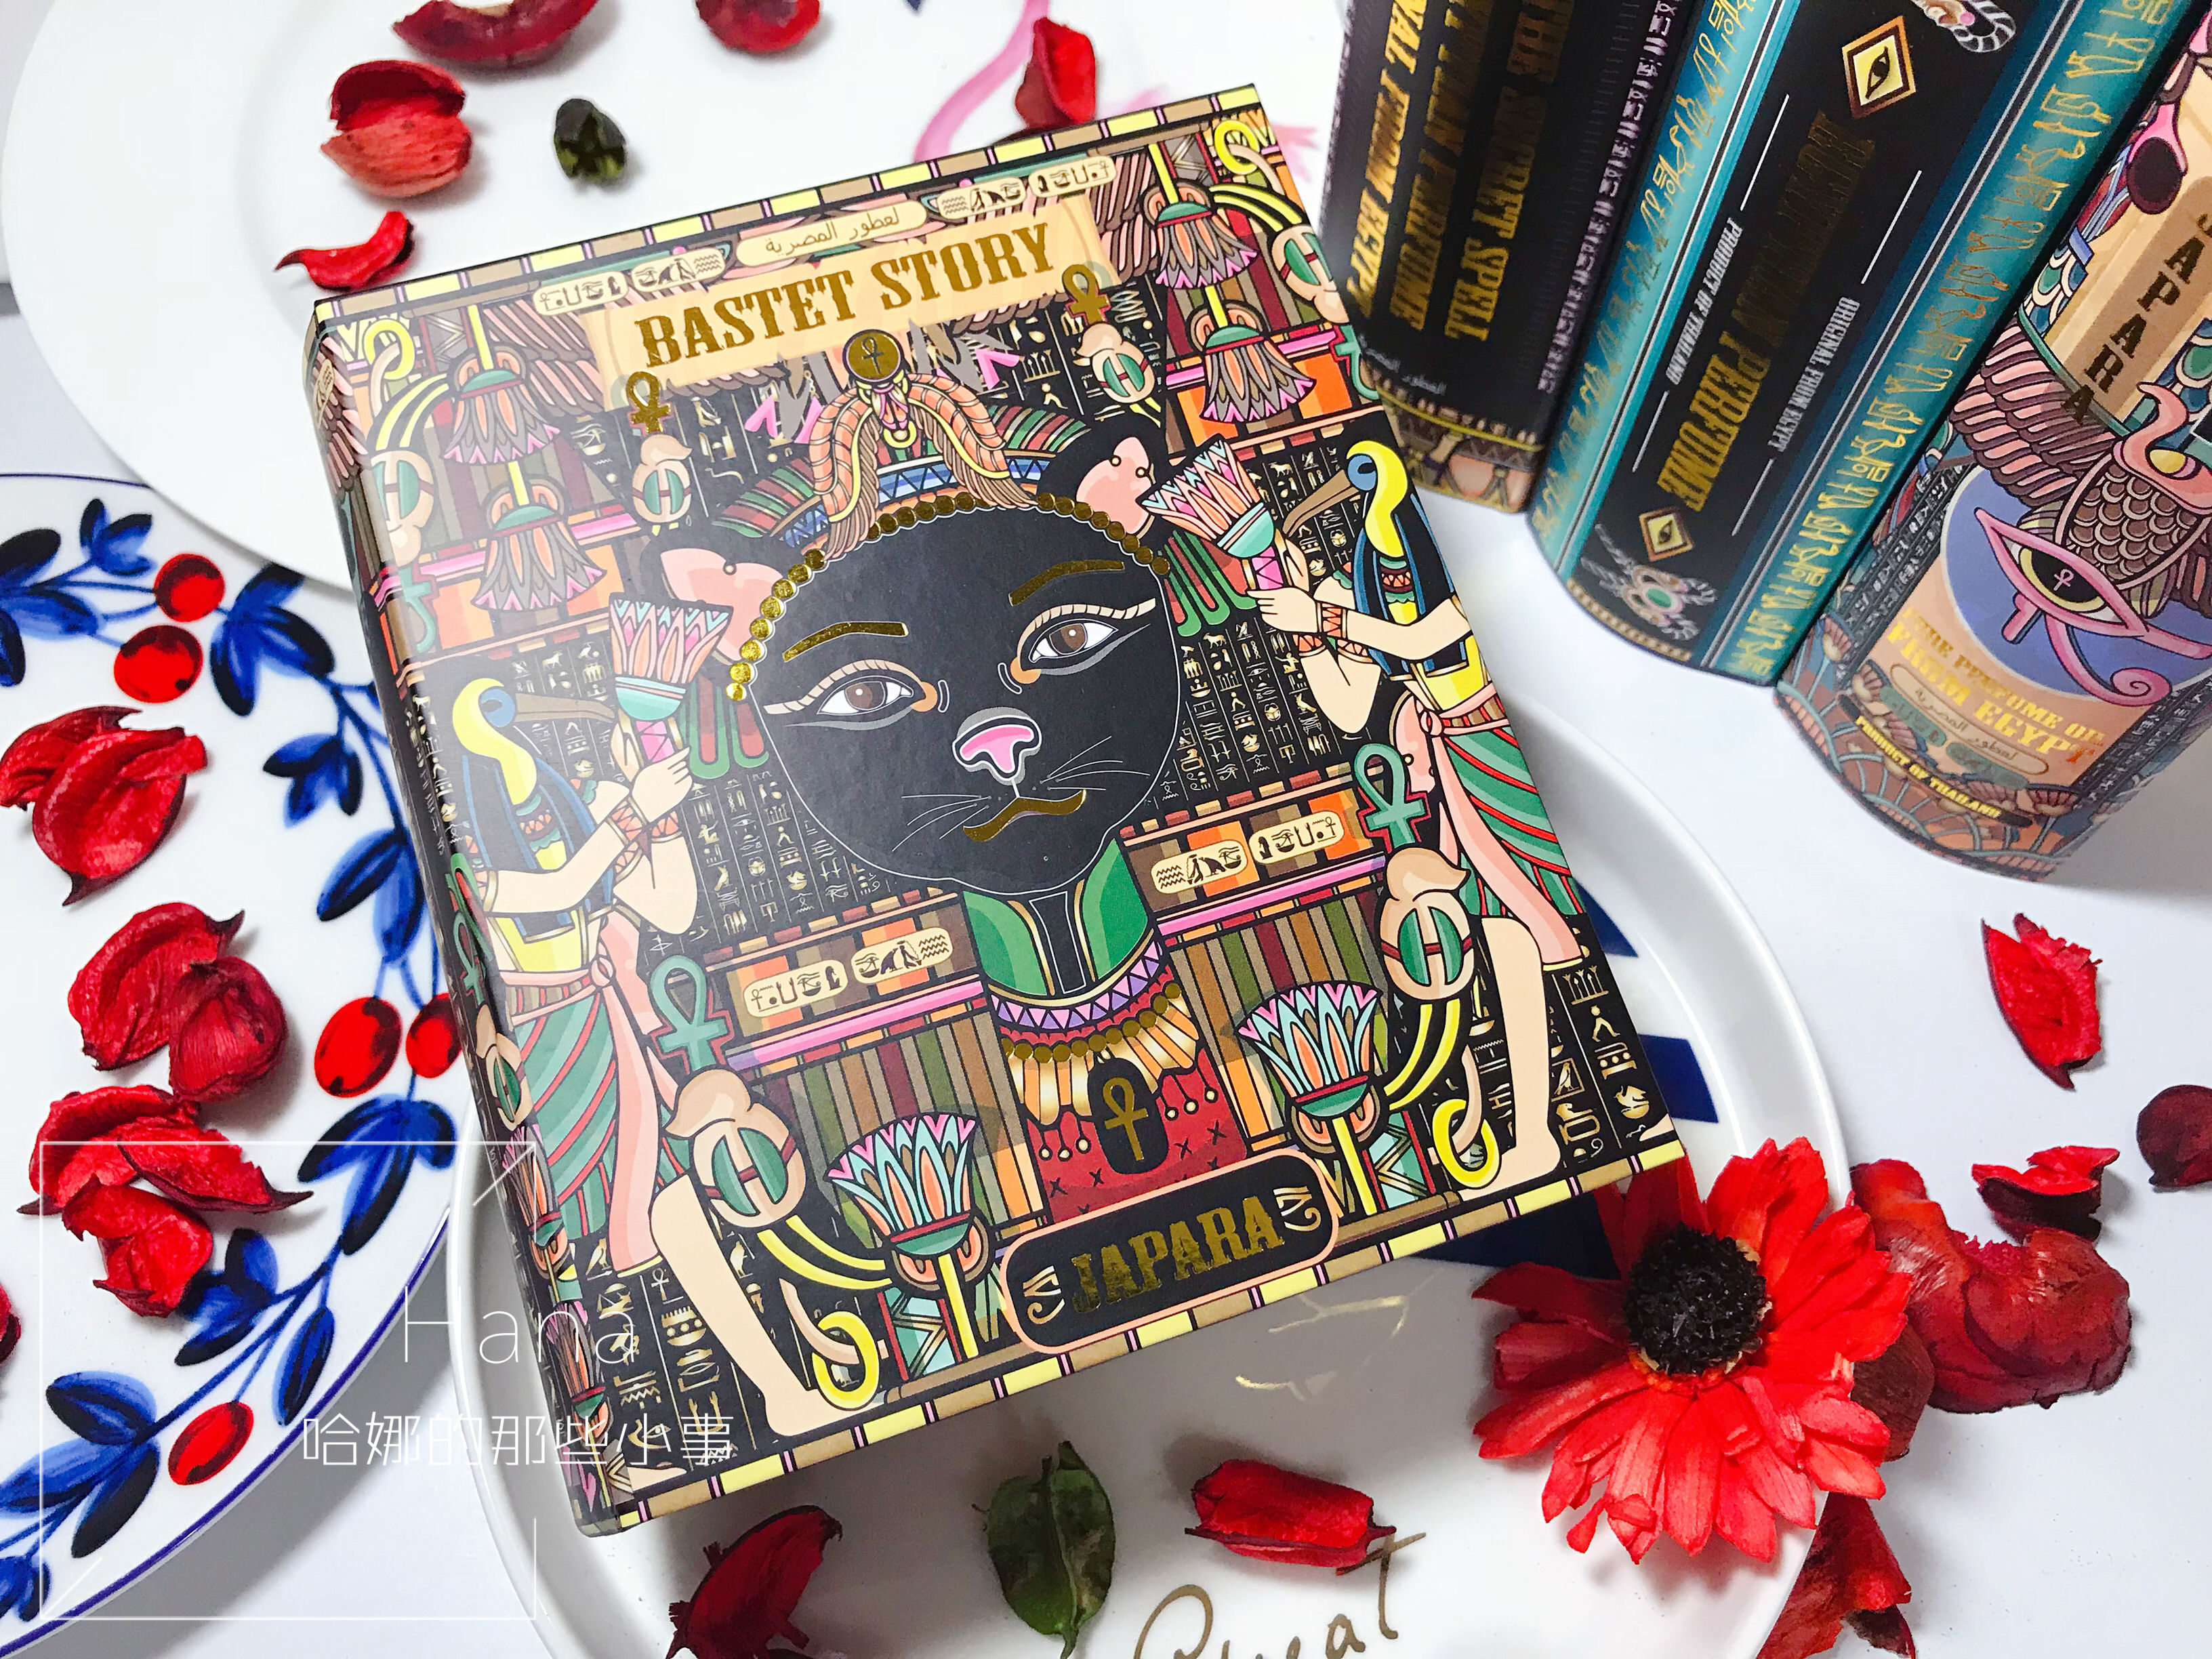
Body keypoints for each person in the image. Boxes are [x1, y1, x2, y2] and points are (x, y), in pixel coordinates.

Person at [1254, 440, 1578, 1192]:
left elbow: (1430, 635)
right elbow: (1347, 706)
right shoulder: (1370, 578)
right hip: (1451, 757)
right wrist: (1309, 628)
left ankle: (1535, 1137)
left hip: (1486, 740)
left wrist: (1327, 617)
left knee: (1513, 932)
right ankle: (1532, 1139)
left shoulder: (1436, 553)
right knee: (1502, 939)